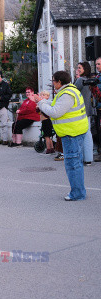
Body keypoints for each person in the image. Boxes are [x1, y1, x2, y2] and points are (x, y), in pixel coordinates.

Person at [32, 71, 89, 201]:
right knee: (76, 163)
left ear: (59, 82)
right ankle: (79, 191)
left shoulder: (67, 94)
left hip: (71, 133)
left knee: (73, 165)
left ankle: (77, 193)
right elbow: (55, 104)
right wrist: (43, 101)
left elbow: (55, 112)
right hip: (75, 131)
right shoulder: (68, 90)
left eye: (53, 81)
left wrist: (41, 103)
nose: (52, 83)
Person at [74, 62, 94, 165]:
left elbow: (73, 92)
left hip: (81, 111)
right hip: (89, 110)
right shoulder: (89, 80)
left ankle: (85, 158)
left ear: (85, 69)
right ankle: (88, 158)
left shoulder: (80, 80)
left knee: (83, 134)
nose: (78, 70)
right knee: (88, 133)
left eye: (79, 68)